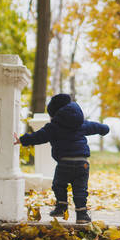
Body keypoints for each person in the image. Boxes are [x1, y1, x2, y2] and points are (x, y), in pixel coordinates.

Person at [14, 94, 109, 222]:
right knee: (80, 189)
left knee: (58, 185)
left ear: (55, 113)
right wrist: (104, 129)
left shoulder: (54, 126)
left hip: (64, 163)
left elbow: (39, 136)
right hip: (82, 163)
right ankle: (82, 215)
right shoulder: (81, 124)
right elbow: (96, 127)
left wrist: (22, 140)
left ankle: (61, 207)